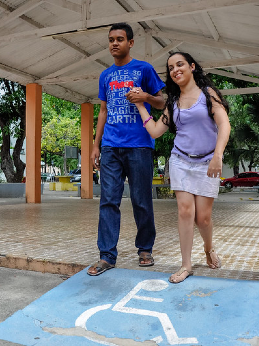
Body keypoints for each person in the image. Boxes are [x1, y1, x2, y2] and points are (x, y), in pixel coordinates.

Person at [132, 52, 231, 283]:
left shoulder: (208, 95)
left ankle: (208, 248)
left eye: (180, 64)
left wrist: (218, 155)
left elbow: (224, 124)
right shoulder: (173, 103)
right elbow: (156, 131)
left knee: (203, 219)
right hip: (180, 160)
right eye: (171, 67)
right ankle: (186, 265)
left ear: (192, 67)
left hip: (208, 161)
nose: (176, 69)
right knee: (186, 211)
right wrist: (141, 104)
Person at [87, 22, 166, 276]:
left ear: (130, 43)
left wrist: (145, 97)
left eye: (120, 39)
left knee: (141, 200)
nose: (114, 43)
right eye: (111, 39)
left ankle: (145, 249)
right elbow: (102, 111)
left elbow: (164, 102)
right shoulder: (105, 75)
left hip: (140, 146)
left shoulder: (144, 69)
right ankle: (107, 256)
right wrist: (95, 145)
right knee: (108, 200)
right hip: (110, 147)